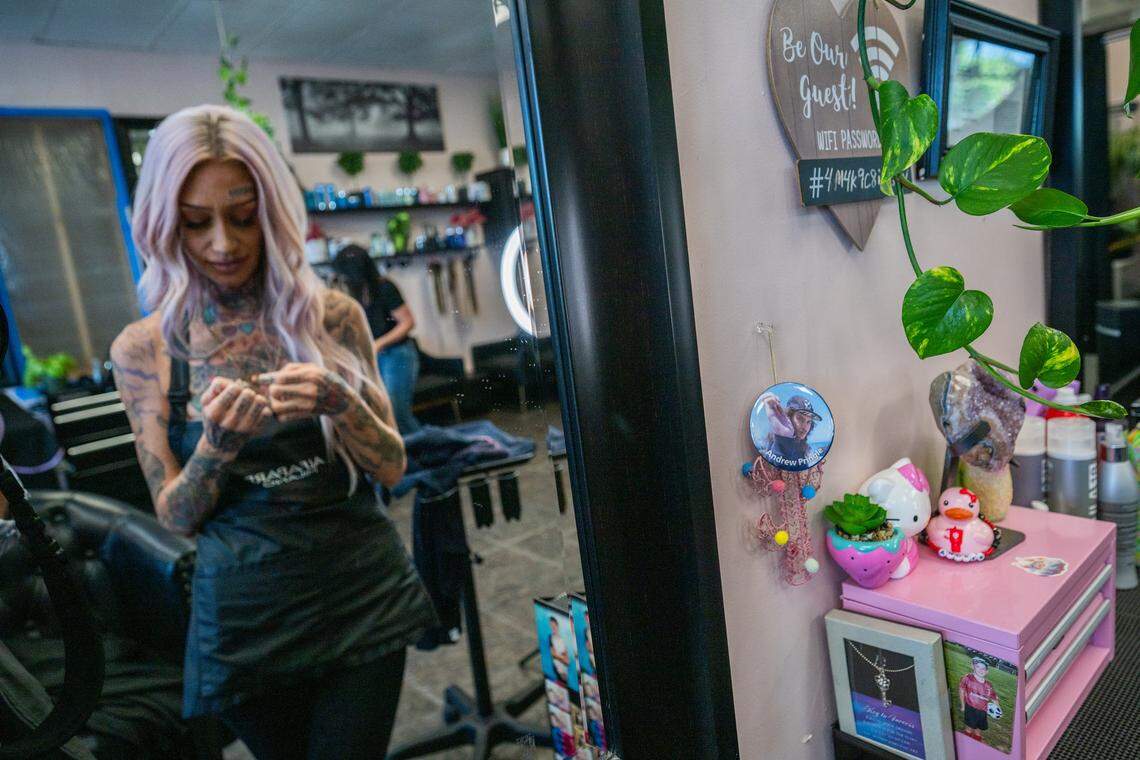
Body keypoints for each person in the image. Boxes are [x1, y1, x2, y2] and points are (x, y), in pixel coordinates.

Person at [110, 104, 437, 760]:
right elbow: (175, 515)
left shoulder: (333, 319)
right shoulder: (145, 350)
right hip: (246, 622)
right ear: (164, 223)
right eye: (197, 222)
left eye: (244, 215)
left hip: (359, 594)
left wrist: (339, 400)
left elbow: (394, 467)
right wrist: (215, 447)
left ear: (274, 213)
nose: (223, 244)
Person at [329, 245, 420, 433]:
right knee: (384, 415)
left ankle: (432, 452)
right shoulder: (354, 294)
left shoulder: (385, 288)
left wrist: (379, 344)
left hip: (398, 354)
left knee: (398, 414)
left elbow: (408, 322)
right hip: (374, 357)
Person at [759, 392, 823, 465]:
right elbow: (774, 464)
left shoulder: (804, 449)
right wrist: (783, 438)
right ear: (789, 417)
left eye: (809, 421)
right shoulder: (771, 444)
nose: (805, 427)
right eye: (800, 419)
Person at [959, 656, 999, 741]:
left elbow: (994, 698)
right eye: (978, 667)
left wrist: (998, 710)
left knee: (978, 730)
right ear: (973, 667)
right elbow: (961, 690)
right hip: (971, 708)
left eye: (983, 668)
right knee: (969, 729)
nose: (981, 670)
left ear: (987, 671)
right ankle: (967, 742)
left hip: (983, 711)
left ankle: (976, 744)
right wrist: (963, 705)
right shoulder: (968, 678)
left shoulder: (988, 685)